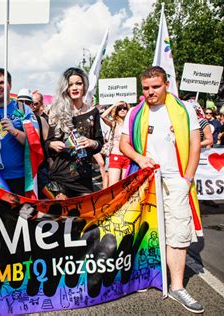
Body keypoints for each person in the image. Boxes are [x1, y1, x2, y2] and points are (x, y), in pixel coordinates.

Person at [120, 66, 203, 313]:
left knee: (177, 230)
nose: (150, 92)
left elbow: (195, 144)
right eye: (145, 88)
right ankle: (146, 276)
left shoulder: (185, 109)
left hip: (177, 179)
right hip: (145, 180)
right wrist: (138, 157)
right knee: (145, 230)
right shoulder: (135, 113)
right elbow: (124, 143)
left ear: (166, 84)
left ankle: (177, 286)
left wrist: (187, 179)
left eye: (155, 86)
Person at [45, 67, 103, 199]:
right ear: (65, 88)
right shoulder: (57, 111)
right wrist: (52, 145)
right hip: (60, 176)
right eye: (70, 84)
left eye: (78, 83)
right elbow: (47, 143)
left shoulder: (93, 112)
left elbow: (100, 143)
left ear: (84, 86)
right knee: (62, 217)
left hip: (84, 177)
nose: (74, 87)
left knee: (83, 217)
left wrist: (91, 142)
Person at [21, 89, 50, 198]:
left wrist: (49, 160)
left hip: (38, 166)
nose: (24, 105)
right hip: (19, 168)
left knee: (41, 199)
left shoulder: (40, 120)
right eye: (20, 101)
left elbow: (47, 143)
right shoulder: (11, 121)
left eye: (27, 102)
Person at [101, 101, 131, 186]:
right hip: (115, 156)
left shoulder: (131, 124)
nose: (122, 110)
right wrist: (114, 105)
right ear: (116, 111)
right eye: (119, 108)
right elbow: (103, 116)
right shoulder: (114, 123)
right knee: (113, 186)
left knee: (126, 186)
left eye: (124, 108)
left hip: (128, 157)